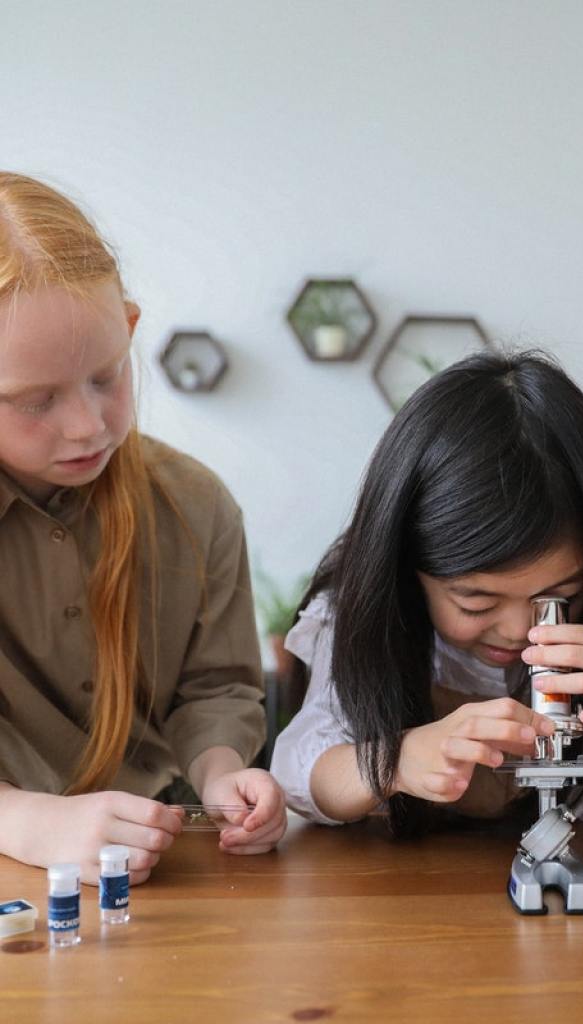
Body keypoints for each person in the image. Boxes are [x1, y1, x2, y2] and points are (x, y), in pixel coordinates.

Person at [271, 351, 583, 838]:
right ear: (407, 573)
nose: (520, 631)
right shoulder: (358, 616)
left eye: (559, 597)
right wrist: (396, 760)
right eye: (476, 603)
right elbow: (298, 777)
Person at [0, 172, 287, 884]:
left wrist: (221, 772)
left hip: (165, 857)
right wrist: (26, 821)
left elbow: (217, 690)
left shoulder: (196, 506)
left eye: (107, 376)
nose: (87, 426)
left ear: (129, 328)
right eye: (35, 400)